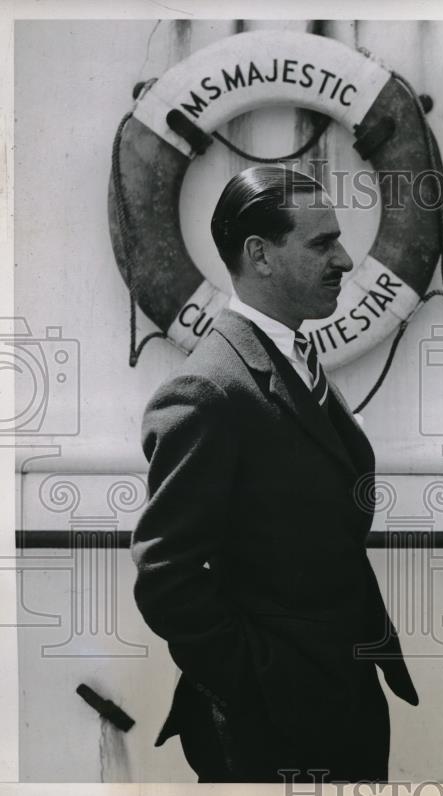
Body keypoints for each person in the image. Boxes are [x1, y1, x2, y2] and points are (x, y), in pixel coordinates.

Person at [131, 166, 417, 783]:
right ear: (259, 255)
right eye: (321, 244)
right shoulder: (207, 388)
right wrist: (259, 679)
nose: (344, 259)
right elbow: (166, 576)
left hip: (342, 701)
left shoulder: (293, 357)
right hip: (268, 728)